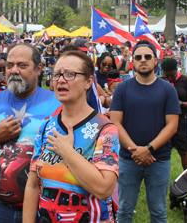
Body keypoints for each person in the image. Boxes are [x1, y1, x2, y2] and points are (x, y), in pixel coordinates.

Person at [0, 44, 62, 222]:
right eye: (9, 65)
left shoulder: (58, 105)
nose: (14, 71)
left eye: (22, 65)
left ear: (38, 69)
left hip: (46, 207)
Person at [23, 50, 119, 223]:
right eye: (57, 74)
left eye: (70, 74)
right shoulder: (46, 127)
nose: (60, 80)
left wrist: (67, 152)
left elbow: (104, 188)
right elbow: (32, 185)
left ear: (88, 81)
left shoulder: (105, 129)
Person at [110, 40, 180, 223]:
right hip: (128, 158)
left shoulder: (167, 89)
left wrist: (148, 149)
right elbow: (115, 122)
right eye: (138, 57)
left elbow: (172, 125)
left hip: (158, 159)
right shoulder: (122, 89)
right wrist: (137, 151)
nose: (143, 60)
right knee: (124, 210)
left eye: (148, 56)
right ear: (132, 61)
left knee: (158, 211)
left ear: (156, 61)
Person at [162, 58, 187, 175]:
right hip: (163, 120)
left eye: (172, 75)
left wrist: (181, 103)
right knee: (162, 151)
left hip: (180, 119)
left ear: (177, 69)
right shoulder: (160, 81)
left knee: (183, 151)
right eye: (167, 76)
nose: (169, 78)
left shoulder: (185, 80)